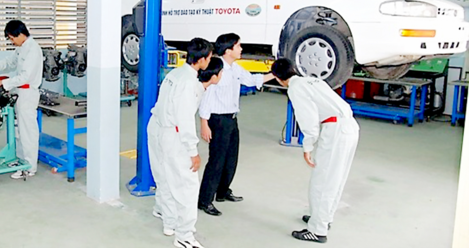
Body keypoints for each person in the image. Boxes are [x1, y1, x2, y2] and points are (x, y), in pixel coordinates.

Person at [271, 58, 359, 244]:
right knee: (336, 178)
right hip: (349, 126)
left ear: (279, 79)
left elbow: (308, 120)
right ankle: (322, 219)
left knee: (323, 181)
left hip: (336, 130)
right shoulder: (311, 80)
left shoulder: (296, 88)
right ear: (294, 69)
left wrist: (307, 146)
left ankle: (317, 230)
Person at [147, 38, 220, 248]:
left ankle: (168, 220)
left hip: (157, 127)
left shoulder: (175, 73)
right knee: (186, 186)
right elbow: (185, 120)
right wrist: (192, 151)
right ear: (204, 59)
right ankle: (184, 236)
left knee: (164, 176)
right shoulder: (189, 83)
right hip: (173, 134)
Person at [198, 33, 275, 216]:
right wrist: (204, 123)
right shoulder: (216, 68)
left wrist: (275, 74)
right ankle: (205, 200)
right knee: (216, 161)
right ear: (228, 50)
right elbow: (206, 97)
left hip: (231, 119)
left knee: (231, 159)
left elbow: (252, 80)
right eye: (238, 46)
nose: (241, 49)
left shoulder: (235, 69)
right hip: (217, 120)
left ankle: (223, 192)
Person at [0, 20, 43, 179]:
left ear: (20, 34)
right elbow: (10, 61)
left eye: (12, 38)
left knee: (27, 131)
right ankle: (20, 160)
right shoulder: (21, 48)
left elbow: (25, 77)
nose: (12, 41)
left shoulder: (33, 50)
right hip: (19, 93)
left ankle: (30, 166)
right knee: (18, 130)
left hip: (27, 94)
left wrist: (3, 83)